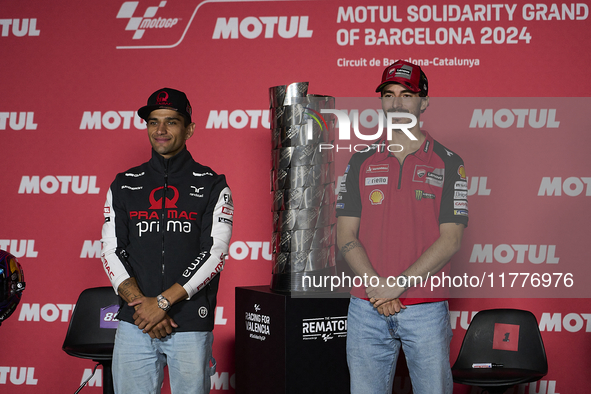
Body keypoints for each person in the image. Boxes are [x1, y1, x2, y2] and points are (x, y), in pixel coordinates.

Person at [336, 60, 468, 393]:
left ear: (423, 102)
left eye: (407, 95)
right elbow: (344, 234)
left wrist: (396, 285)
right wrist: (377, 287)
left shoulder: (449, 162)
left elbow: (451, 239)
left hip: (424, 306)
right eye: (389, 94)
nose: (396, 103)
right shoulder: (360, 160)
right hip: (367, 306)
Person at [100, 87, 234, 394]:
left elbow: (213, 254)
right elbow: (111, 250)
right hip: (137, 322)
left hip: (188, 323)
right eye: (153, 122)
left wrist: (162, 304)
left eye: (171, 122)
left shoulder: (213, 184)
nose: (161, 130)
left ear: (189, 129)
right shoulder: (123, 184)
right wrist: (143, 307)